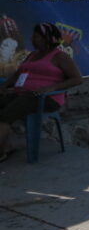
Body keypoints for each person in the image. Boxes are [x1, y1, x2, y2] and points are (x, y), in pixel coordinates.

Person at [0, 23, 83, 162]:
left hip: (45, 98)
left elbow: (77, 79)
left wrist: (51, 88)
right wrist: (4, 86)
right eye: (33, 36)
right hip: (22, 94)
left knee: (5, 115)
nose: (33, 39)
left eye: (37, 37)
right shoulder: (32, 55)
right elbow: (18, 74)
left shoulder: (60, 57)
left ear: (48, 38)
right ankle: (5, 147)